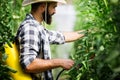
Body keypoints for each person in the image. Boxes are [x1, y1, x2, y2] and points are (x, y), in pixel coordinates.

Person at [15, 0, 85, 80]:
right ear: (43, 7)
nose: (55, 11)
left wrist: (87, 32)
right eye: (54, 7)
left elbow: (62, 36)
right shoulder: (31, 28)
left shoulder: (37, 28)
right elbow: (29, 64)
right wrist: (60, 62)